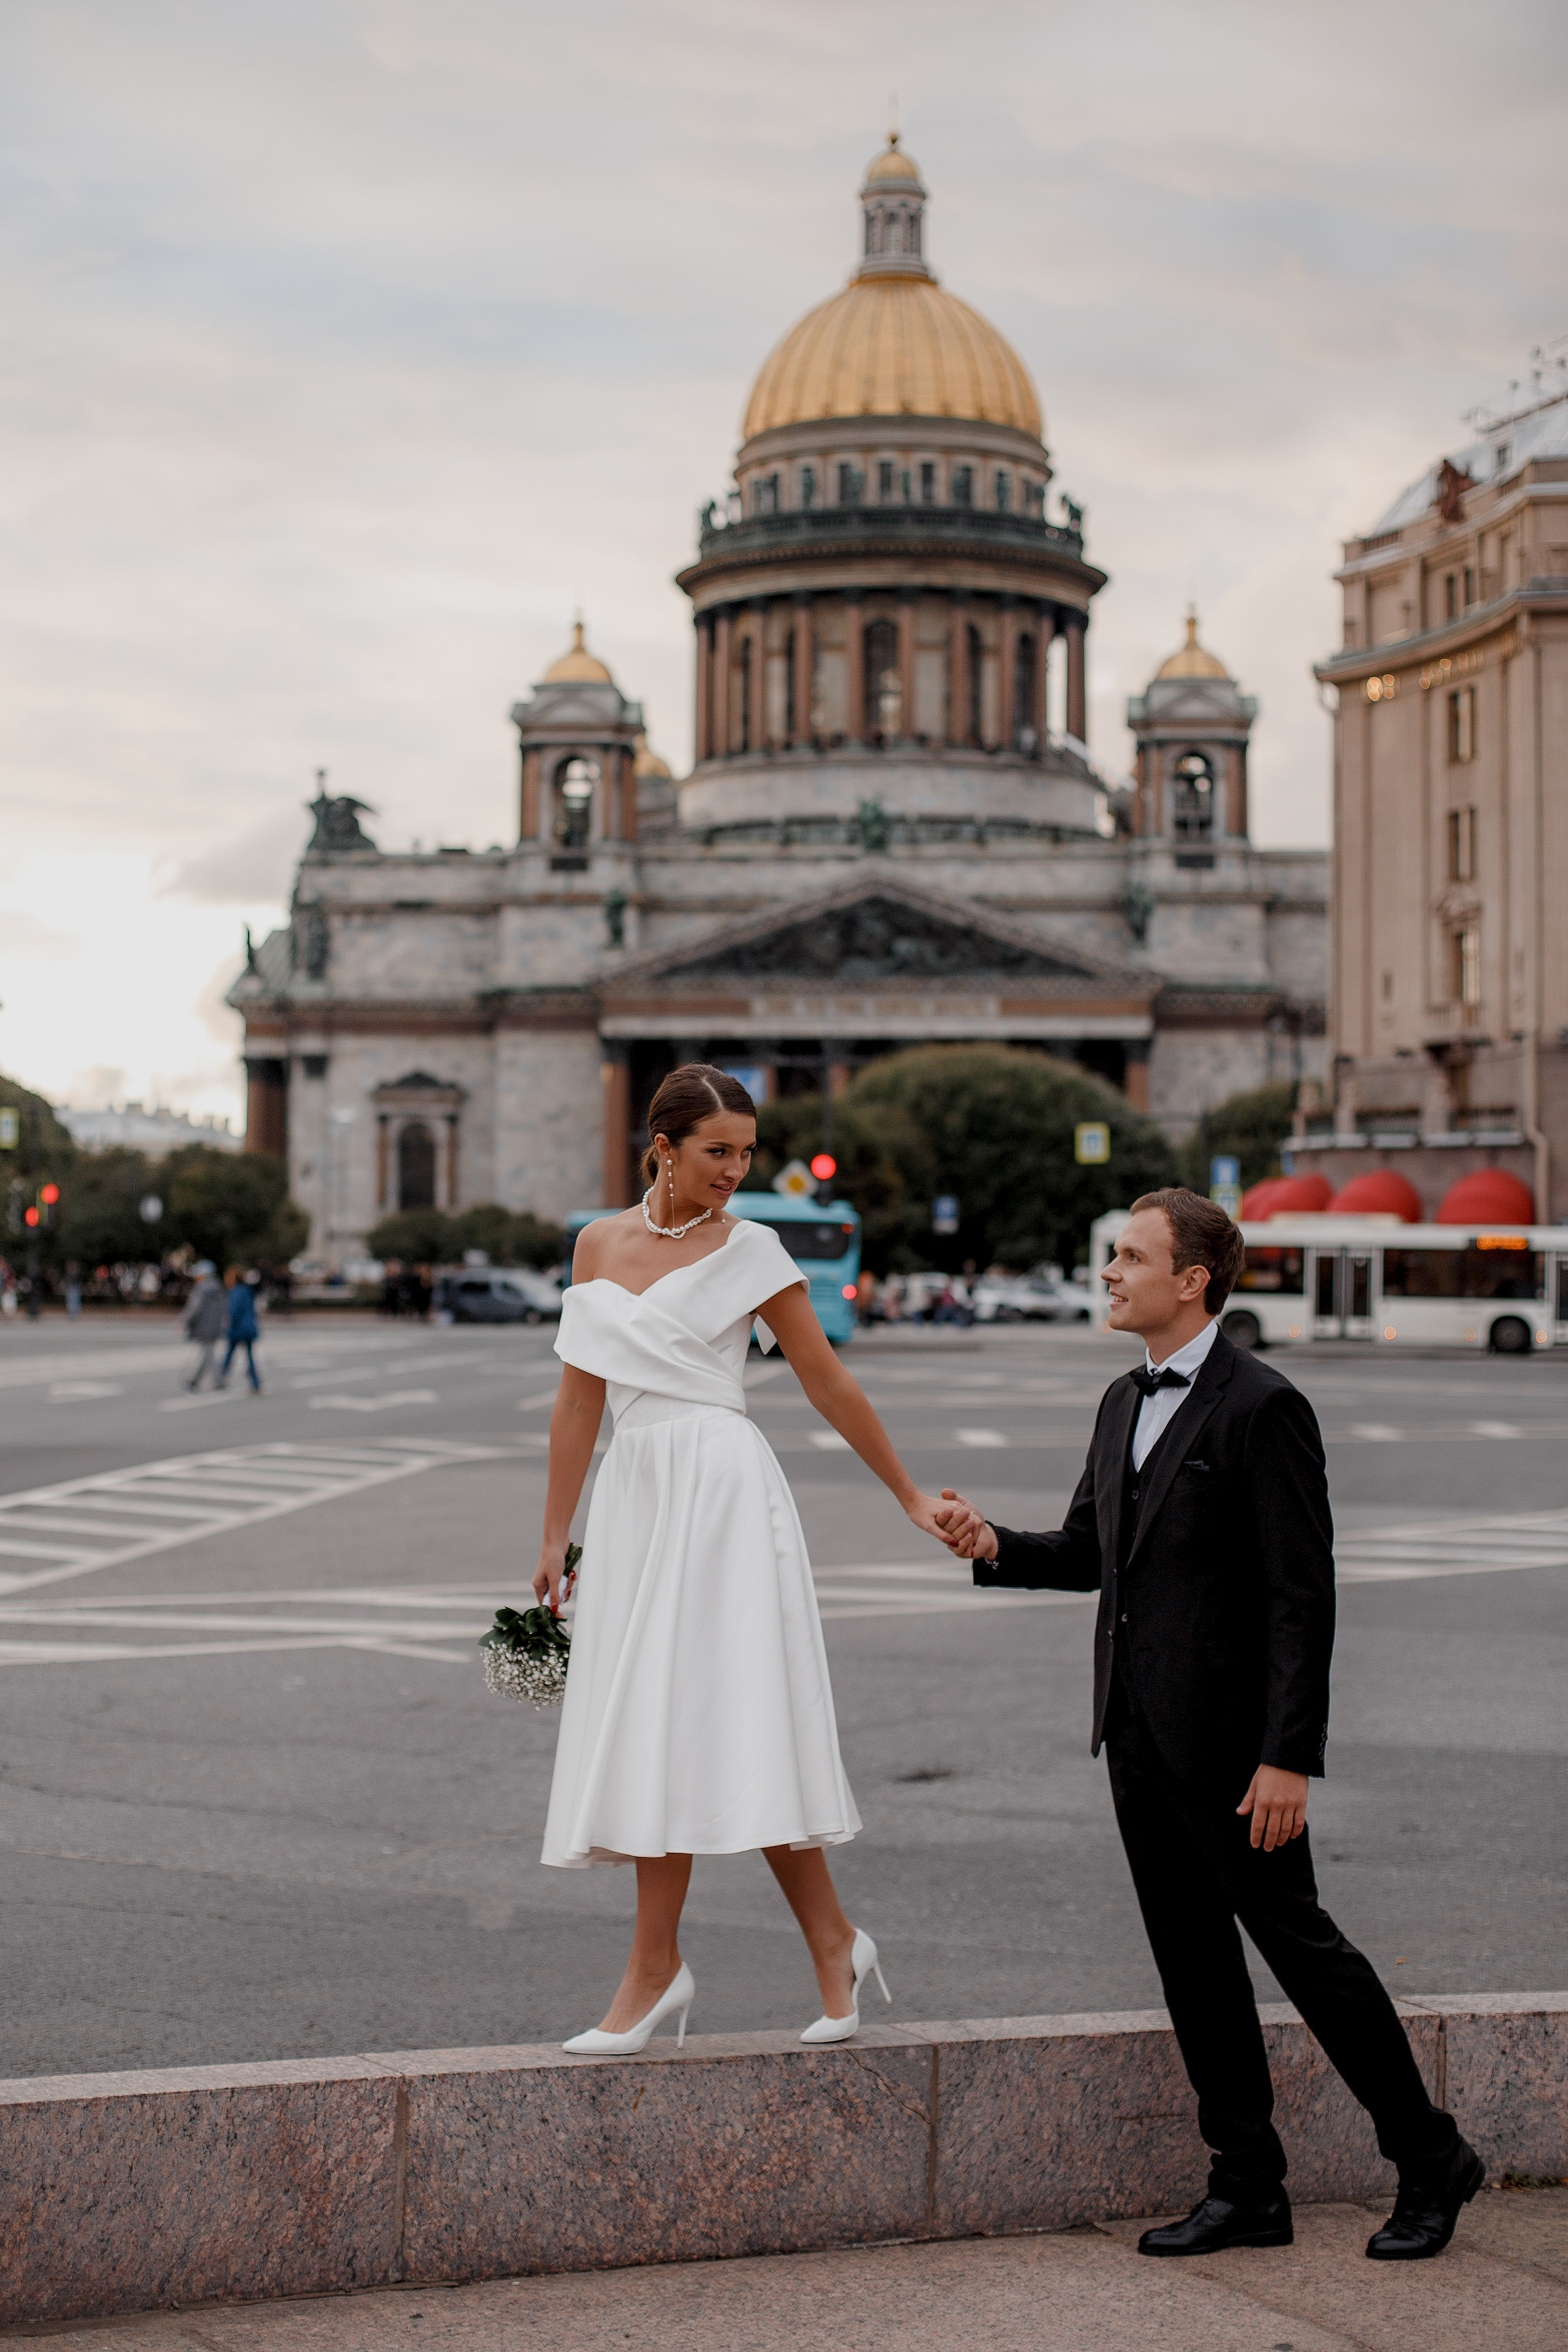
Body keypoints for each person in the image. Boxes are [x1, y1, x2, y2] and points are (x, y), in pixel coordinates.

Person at [936, 1188, 1482, 2265]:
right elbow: (1096, 1555)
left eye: (1131, 1258)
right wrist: (992, 1541)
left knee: (1307, 1955)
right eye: (1112, 1258)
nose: (1111, 1273)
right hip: (1136, 1737)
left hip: (1239, 1754)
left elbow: (1300, 1596)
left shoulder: (1261, 1405)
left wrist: (1290, 1755)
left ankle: (1430, 2157)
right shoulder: (1118, 1400)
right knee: (1194, 1967)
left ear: (1193, 1280)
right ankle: (1247, 2186)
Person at [535, 1063, 953, 2055]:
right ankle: (826, 1941)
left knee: (731, 1721)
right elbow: (576, 1403)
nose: (736, 1169)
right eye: (719, 1151)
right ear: (664, 1145)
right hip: (635, 1494)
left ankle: (659, 1970)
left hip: (722, 1492)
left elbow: (826, 1380)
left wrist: (906, 1492)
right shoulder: (598, 1244)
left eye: (747, 1153)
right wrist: (555, 1534)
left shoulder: (754, 1247)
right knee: (663, 1724)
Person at [217, 1266, 263, 1393]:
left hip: (238, 1328)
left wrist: (227, 1326)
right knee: (248, 1356)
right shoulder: (247, 1290)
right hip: (249, 1327)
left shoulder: (236, 1292)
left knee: (230, 1354)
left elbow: (234, 1311)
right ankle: (255, 1382)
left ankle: (220, 1378)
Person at [183, 1261, 227, 1389]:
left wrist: (185, 1321)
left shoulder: (201, 1289)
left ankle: (218, 1381)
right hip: (215, 1326)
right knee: (208, 1353)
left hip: (203, 1326)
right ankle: (194, 1380)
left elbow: (194, 1309)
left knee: (209, 1355)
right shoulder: (218, 1288)